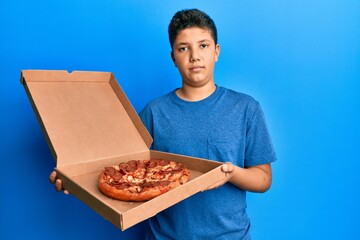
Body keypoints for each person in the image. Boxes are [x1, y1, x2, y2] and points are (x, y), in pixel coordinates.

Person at [50, 8, 276, 240]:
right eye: (183, 48)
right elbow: (114, 168)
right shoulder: (154, 112)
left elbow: (263, 178)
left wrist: (231, 173)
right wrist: (76, 179)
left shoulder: (246, 108)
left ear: (216, 51)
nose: (194, 56)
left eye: (203, 45)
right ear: (173, 57)